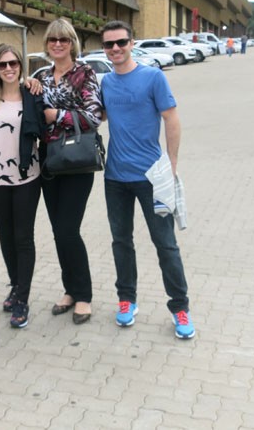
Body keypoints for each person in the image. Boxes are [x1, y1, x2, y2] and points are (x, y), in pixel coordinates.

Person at [99, 20, 195, 340]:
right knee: (121, 242)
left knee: (165, 244)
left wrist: (172, 162)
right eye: (109, 44)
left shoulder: (153, 77)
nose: (115, 48)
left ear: (132, 42)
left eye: (121, 42)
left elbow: (171, 118)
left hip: (152, 177)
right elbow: (90, 115)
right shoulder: (106, 83)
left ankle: (180, 307)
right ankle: (127, 300)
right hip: (115, 178)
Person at [34, 18, 104, 325]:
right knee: (57, 231)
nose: (58, 44)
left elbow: (93, 116)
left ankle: (84, 295)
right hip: (49, 160)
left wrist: (56, 114)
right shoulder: (40, 75)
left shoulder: (84, 73)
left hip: (75, 161)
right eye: (53, 40)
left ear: (72, 42)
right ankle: (70, 290)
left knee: (67, 229)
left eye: (63, 39)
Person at [0, 44, 45, 329]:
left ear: (21, 65)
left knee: (23, 237)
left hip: (27, 176)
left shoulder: (31, 94)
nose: (8, 68)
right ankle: (15, 285)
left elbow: (44, 125)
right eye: (2, 64)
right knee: (5, 236)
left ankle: (22, 299)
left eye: (13, 63)